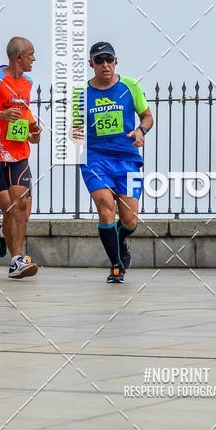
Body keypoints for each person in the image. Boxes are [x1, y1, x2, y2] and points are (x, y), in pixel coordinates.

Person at [78, 42, 153, 283]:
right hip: (95, 159)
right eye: (99, 61)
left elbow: (147, 117)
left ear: (116, 61)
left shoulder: (130, 86)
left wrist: (141, 130)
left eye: (109, 59)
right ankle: (116, 265)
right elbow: (73, 129)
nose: (105, 65)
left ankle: (120, 240)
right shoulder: (81, 95)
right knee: (105, 207)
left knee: (130, 220)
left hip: (127, 159)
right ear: (91, 64)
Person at [0, 37, 41, 278]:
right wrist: (0, 114)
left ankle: (17, 261)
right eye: (31, 54)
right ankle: (2, 232)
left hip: (17, 154)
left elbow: (23, 113)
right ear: (18, 57)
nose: (34, 59)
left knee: (20, 207)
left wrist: (32, 131)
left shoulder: (28, 82)